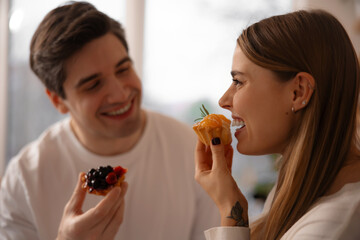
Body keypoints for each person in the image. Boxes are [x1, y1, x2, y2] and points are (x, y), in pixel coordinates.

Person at [0, 1, 219, 239]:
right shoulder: (24, 179)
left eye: (123, 69)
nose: (120, 94)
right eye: (93, 85)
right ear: (57, 100)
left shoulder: (191, 150)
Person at [195, 9, 360, 240]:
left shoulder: (333, 225)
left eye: (238, 81)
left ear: (298, 91)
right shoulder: (297, 189)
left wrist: (230, 210)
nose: (224, 100)